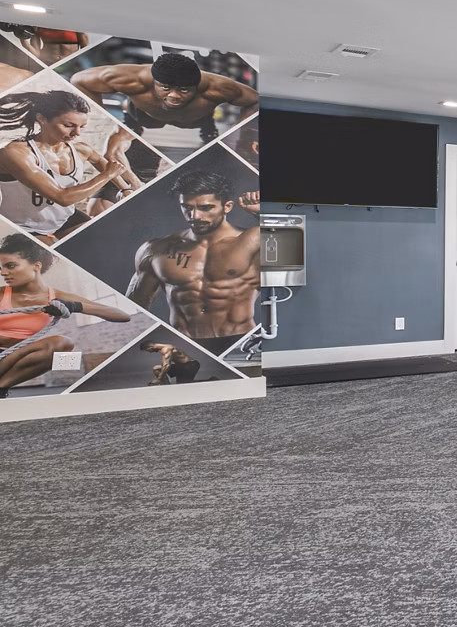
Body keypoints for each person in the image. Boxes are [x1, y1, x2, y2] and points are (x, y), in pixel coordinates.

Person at [127, 167, 262, 355]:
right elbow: (136, 305)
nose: (195, 216)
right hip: (185, 345)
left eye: (206, 208)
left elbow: (295, 264)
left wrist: (261, 214)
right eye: (187, 207)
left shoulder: (253, 241)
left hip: (240, 342)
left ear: (227, 206)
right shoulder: (155, 249)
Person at [0, 232, 132, 396]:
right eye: (1, 268)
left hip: (13, 357)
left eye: (10, 266)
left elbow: (123, 316)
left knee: (63, 344)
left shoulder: (58, 296)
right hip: (6, 356)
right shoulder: (2, 294)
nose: (3, 273)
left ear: (36, 265)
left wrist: (74, 306)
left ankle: (2, 387)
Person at [0, 88, 139, 244]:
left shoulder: (80, 149)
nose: (76, 133)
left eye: (82, 126)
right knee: (49, 252)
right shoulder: (15, 153)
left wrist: (125, 188)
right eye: (68, 125)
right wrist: (107, 175)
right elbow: (63, 197)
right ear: (42, 119)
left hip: (63, 218)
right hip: (22, 225)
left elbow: (104, 164)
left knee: (105, 241)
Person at [73, 51, 257, 149]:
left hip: (194, 120)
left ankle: (208, 130)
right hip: (145, 116)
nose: (174, 96)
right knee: (129, 107)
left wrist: (243, 138)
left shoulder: (217, 87)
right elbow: (79, 80)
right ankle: (131, 125)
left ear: (196, 85)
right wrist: (103, 119)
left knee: (204, 117)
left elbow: (254, 100)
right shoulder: (132, 79)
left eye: (184, 90)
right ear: (155, 82)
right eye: (166, 88)